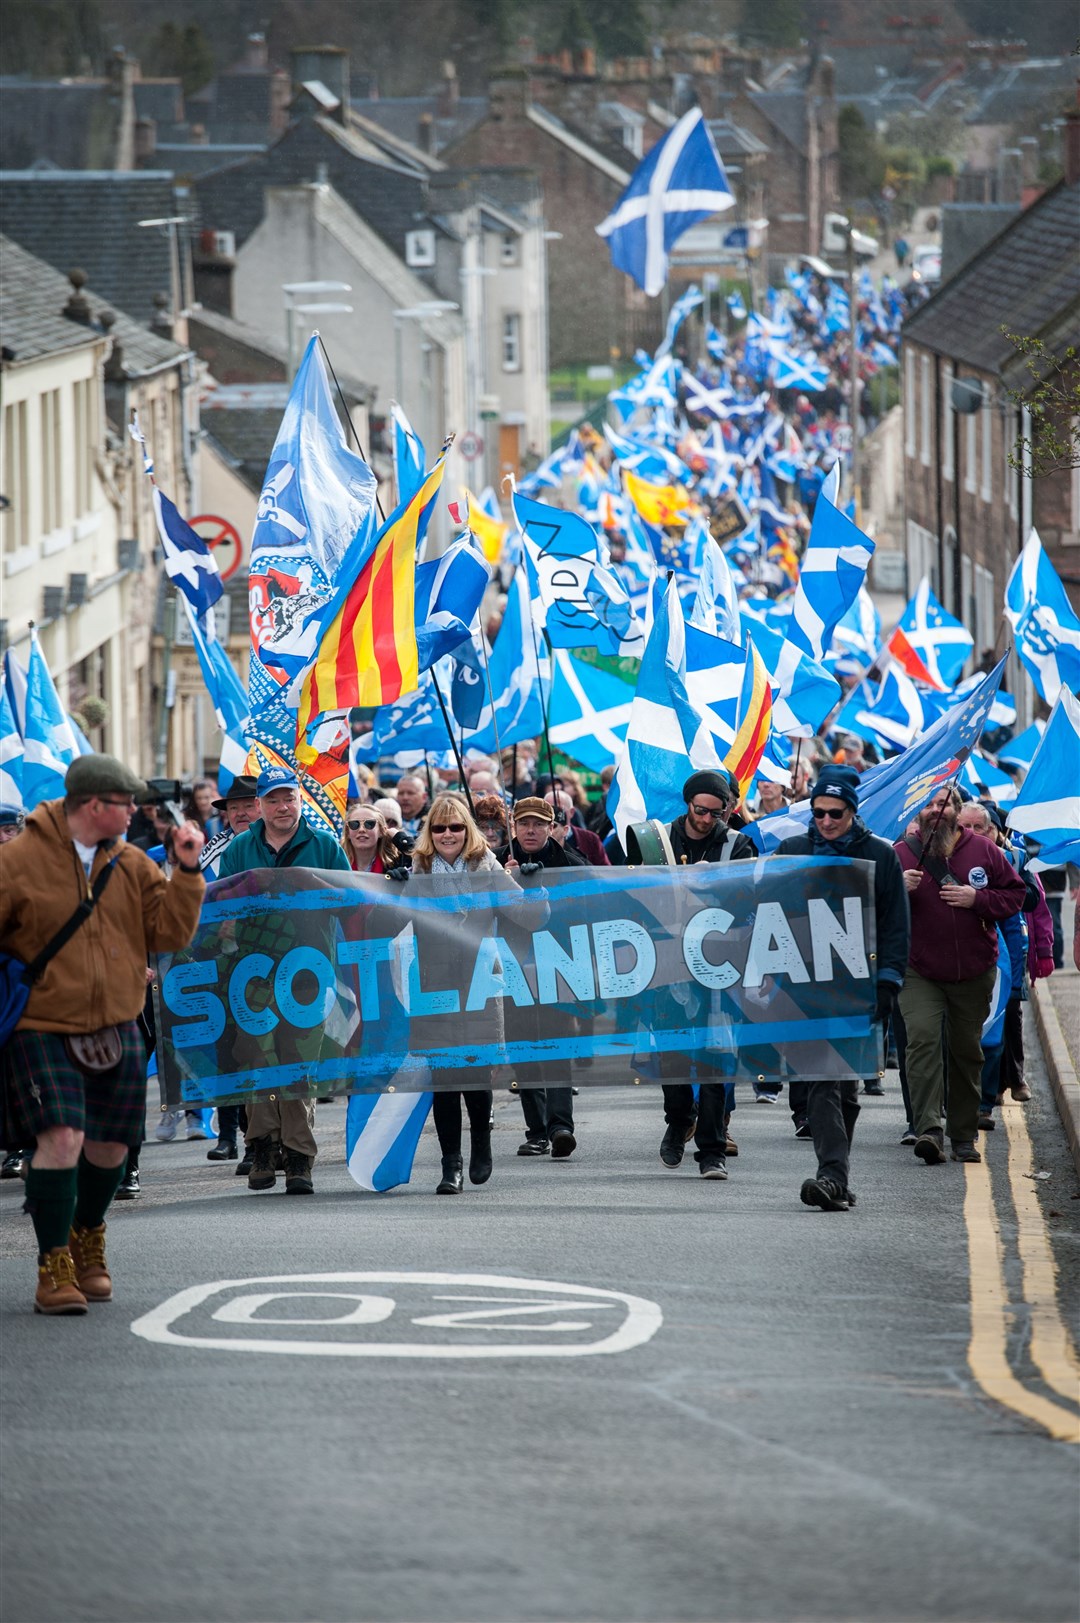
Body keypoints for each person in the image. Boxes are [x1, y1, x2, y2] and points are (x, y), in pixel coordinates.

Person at [0, 754, 205, 1314]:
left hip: (116, 1024)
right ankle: (53, 1266)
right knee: (62, 1138)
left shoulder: (134, 862)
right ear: (95, 806)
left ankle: (88, 1236)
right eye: (126, 804)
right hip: (42, 1024)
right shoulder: (17, 862)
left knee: (112, 1146)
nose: (136, 812)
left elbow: (166, 934)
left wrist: (187, 874)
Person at [775, 767, 909, 1211]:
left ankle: (838, 1177)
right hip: (806, 990)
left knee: (846, 1088)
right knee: (820, 1079)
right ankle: (830, 1175)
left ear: (852, 811)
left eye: (835, 813)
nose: (826, 821)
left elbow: (895, 925)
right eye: (818, 813)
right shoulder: (792, 851)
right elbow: (765, 913)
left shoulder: (880, 856)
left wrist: (889, 981)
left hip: (859, 989)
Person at [217, 767, 351, 1195]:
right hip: (253, 971)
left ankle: (298, 1157)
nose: (281, 807)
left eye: (288, 798)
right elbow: (222, 906)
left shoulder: (325, 845)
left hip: (309, 971)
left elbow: (351, 899)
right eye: (272, 800)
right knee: (258, 1059)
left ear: (300, 800)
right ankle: (259, 1147)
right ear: (259, 805)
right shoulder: (240, 848)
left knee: (299, 1063)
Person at [895, 784, 1026, 1166]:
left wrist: (977, 899)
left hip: (973, 969)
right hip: (918, 970)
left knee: (966, 1051)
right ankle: (929, 1128)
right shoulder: (900, 854)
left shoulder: (984, 851)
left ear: (955, 810)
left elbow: (1015, 896)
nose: (938, 809)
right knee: (921, 1043)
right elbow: (872, 906)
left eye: (945, 803)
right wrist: (896, 889)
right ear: (919, 813)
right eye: (930, 804)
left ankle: (963, 1135)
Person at [404, 795, 528, 1193]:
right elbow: (394, 920)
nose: (447, 835)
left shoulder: (488, 867)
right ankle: (450, 1165)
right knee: (443, 1079)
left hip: (479, 982)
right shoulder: (418, 869)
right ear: (430, 833)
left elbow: (529, 915)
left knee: (475, 1075)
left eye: (455, 827)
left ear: (467, 830)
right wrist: (391, 887)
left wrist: (525, 883)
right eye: (439, 828)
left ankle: (482, 1145)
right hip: (434, 985)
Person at [659, 771, 755, 1178]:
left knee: (716, 1056)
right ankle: (679, 1117)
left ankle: (712, 1149)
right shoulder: (656, 840)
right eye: (700, 811)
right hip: (664, 963)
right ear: (687, 805)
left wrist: (713, 884)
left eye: (716, 813)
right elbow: (617, 883)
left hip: (718, 963)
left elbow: (754, 895)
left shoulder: (738, 844)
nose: (706, 819)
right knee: (671, 1053)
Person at [498, 796, 585, 1158]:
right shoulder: (497, 861)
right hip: (512, 966)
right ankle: (536, 1130)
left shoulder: (573, 864)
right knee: (522, 1047)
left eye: (538, 824)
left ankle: (561, 1125)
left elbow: (585, 912)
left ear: (552, 828)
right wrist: (505, 880)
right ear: (514, 826)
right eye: (523, 824)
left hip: (557, 965)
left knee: (557, 1045)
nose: (530, 831)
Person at [199, 775, 259, 879]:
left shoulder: (279, 837)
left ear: (262, 807)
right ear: (226, 813)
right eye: (233, 808)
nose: (240, 813)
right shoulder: (218, 847)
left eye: (248, 806)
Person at [544, 787, 610, 866]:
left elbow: (604, 871)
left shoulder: (590, 839)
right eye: (548, 810)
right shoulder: (536, 839)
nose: (553, 814)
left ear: (572, 812)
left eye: (559, 810)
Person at [342, 803, 399, 874]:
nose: (361, 829)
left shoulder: (396, 863)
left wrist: (399, 837)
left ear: (381, 831)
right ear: (347, 833)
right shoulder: (336, 862)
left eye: (369, 824)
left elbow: (415, 859)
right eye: (354, 824)